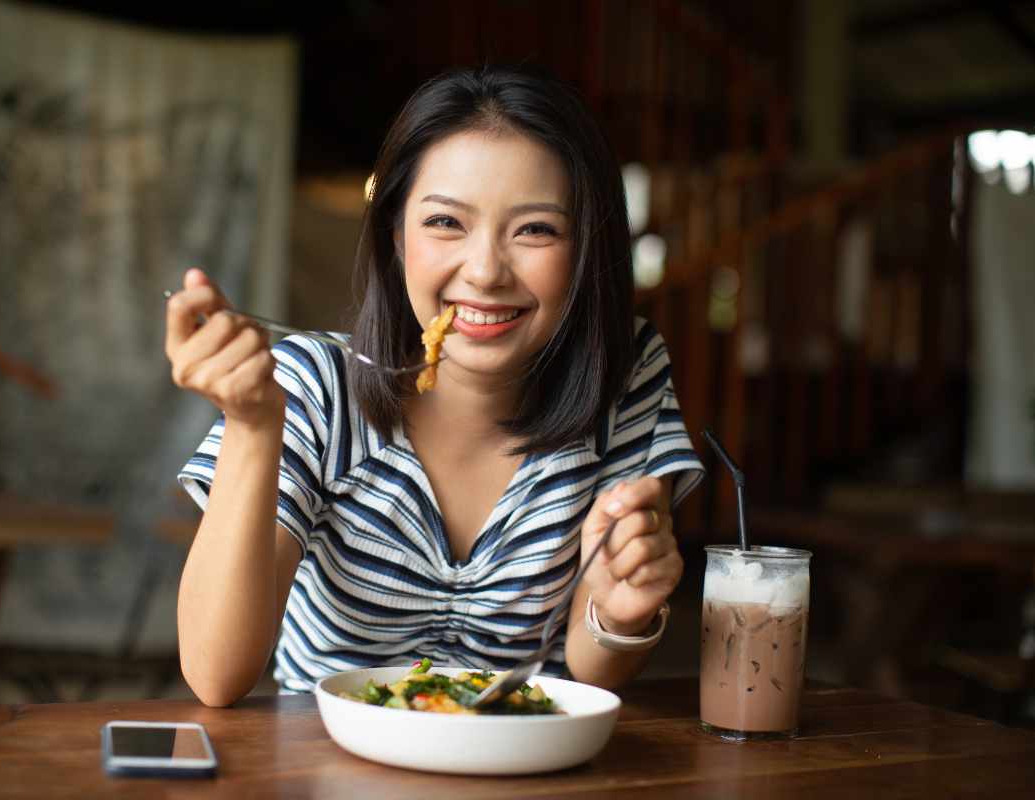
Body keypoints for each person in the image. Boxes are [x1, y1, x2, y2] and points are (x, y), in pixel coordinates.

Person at [166, 66, 704, 705]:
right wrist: (255, 425)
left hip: (526, 763)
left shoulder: (627, 375)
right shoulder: (311, 386)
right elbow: (215, 675)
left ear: (586, 246)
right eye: (447, 222)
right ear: (397, 236)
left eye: (536, 229)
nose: (484, 271)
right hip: (326, 763)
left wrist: (617, 614)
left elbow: (591, 674)